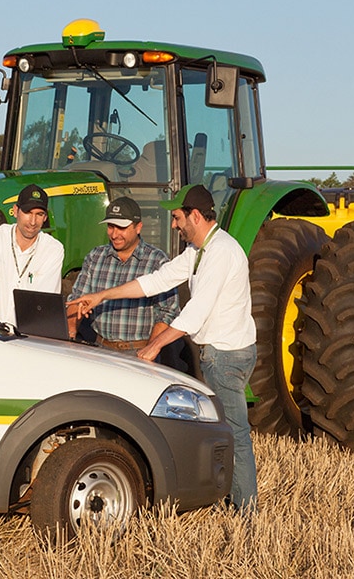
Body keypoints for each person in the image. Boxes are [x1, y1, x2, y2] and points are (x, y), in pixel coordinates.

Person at [68, 184, 258, 512]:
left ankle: (246, 512)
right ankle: (232, 500)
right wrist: (102, 296)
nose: (174, 224)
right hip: (217, 353)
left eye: (177, 217)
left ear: (195, 216)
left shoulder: (221, 253)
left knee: (234, 435)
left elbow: (195, 312)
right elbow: (155, 282)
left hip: (225, 356)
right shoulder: (198, 251)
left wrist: (153, 346)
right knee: (225, 433)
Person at [67, 196, 183, 368]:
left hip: (137, 352)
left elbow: (167, 312)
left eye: (121, 227)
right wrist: (70, 337)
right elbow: (77, 299)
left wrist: (149, 351)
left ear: (138, 227)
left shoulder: (156, 261)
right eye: (111, 226)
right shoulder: (95, 257)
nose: (114, 234)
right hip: (98, 348)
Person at [0, 184, 64, 325]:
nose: (33, 222)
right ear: (16, 211)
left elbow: (43, 301)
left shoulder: (53, 249)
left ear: (45, 217)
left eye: (39, 214)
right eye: (28, 212)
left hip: (27, 337)